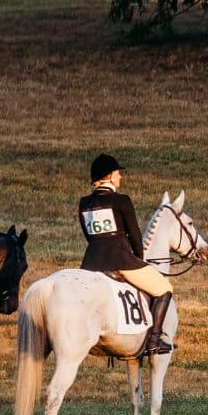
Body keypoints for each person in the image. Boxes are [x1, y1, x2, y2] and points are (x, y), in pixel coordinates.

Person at [78, 154, 172, 359]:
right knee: (164, 288)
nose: (120, 177)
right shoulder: (121, 200)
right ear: (109, 176)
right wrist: (139, 258)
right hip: (120, 259)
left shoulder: (84, 203)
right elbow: (135, 234)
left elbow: (89, 235)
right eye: (117, 173)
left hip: (90, 263)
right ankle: (154, 341)